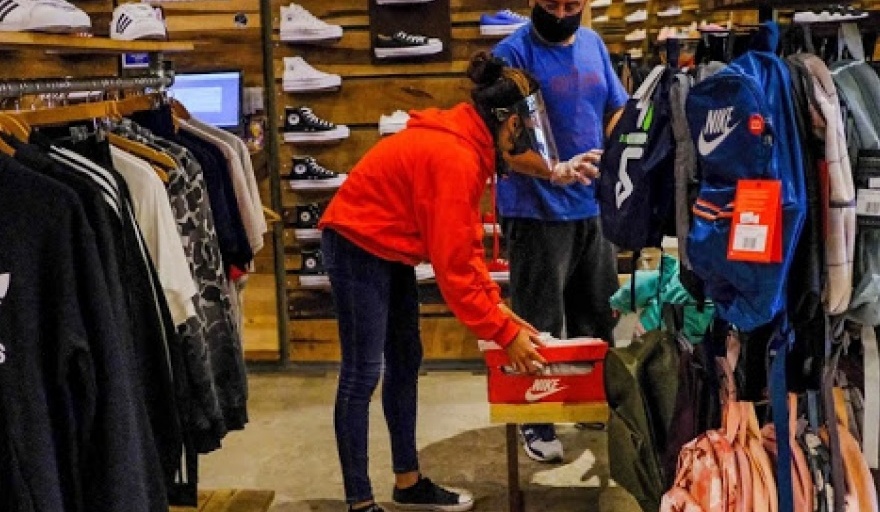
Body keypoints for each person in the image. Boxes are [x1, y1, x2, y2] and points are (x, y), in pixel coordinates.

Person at [317, 52, 599, 512]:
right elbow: (454, 270)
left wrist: (499, 311)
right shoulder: (456, 157)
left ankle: (408, 483)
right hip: (355, 242)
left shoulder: (467, 143)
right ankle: (360, 503)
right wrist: (503, 331)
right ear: (509, 123)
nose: (526, 137)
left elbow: (465, 252)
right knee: (362, 372)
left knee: (405, 360)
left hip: (388, 245)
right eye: (524, 127)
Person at [492, 0, 629, 463]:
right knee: (539, 322)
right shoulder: (512, 54)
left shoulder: (592, 44)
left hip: (591, 206)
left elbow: (614, 107)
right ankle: (537, 418)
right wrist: (552, 170)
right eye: (552, 3)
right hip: (535, 210)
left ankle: (588, 400)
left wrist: (612, 150)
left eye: (572, 3)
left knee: (597, 314)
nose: (561, 12)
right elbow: (504, 143)